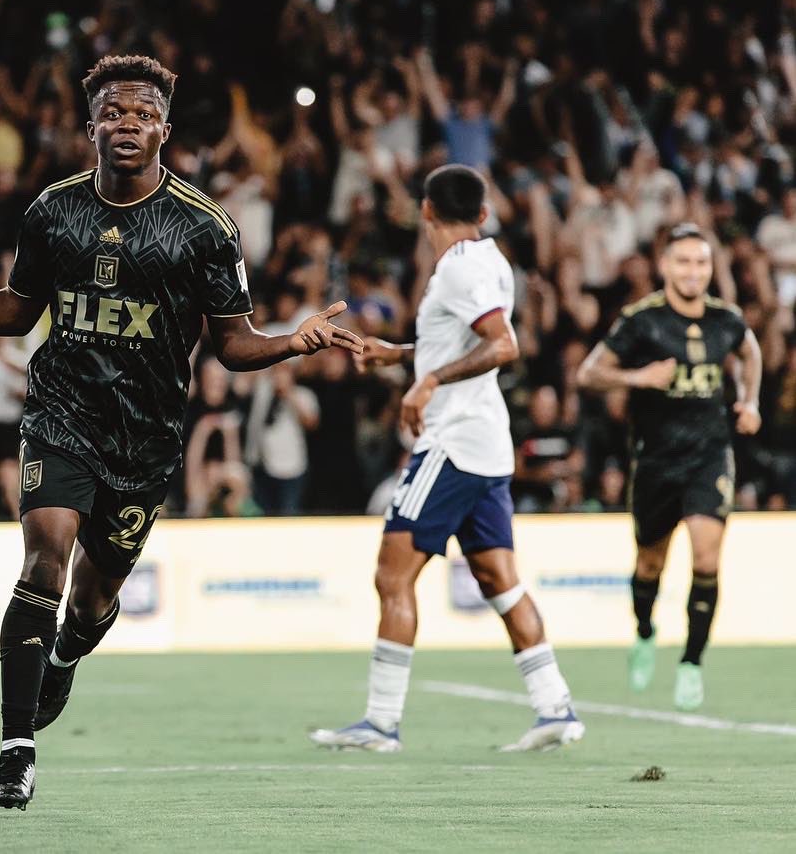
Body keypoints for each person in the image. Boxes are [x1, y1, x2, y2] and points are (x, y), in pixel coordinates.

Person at [0, 55, 363, 810]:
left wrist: (291, 342)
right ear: (90, 126)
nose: (126, 123)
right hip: (61, 415)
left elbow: (233, 344)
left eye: (143, 113)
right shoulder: (53, 211)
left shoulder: (205, 227)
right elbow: (15, 309)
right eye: (113, 111)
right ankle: (16, 750)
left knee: (89, 600)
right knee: (44, 557)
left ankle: (64, 658)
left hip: (144, 440)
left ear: (165, 130)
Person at [310, 165, 584, 753]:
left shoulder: (457, 268)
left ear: (426, 211)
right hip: (486, 446)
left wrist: (429, 379)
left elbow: (503, 344)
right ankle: (555, 707)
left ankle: (381, 722)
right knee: (499, 579)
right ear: (483, 214)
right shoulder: (490, 261)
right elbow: (466, 340)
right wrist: (402, 355)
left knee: (392, 575)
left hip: (452, 445)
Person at [576, 223, 762, 710]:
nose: (692, 272)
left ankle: (691, 663)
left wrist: (749, 400)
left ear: (710, 268)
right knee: (650, 563)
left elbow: (750, 350)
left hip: (709, 455)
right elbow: (588, 374)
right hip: (656, 460)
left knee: (706, 557)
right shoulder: (642, 321)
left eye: (701, 263)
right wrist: (638, 377)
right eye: (683, 262)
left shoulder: (725, 319)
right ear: (664, 266)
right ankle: (644, 631)